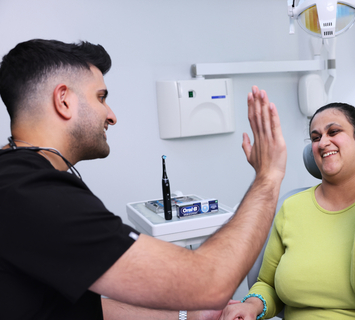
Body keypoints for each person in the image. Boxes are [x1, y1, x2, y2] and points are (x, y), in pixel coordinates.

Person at [0, 39, 287, 320]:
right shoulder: (32, 194)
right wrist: (269, 176)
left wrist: (188, 316)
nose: (111, 116)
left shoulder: (16, 180)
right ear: (63, 100)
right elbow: (211, 282)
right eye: (101, 97)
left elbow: (80, 309)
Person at [220, 102, 355, 320]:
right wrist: (252, 305)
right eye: (316, 138)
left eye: (334, 131)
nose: (323, 142)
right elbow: (268, 284)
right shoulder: (292, 207)